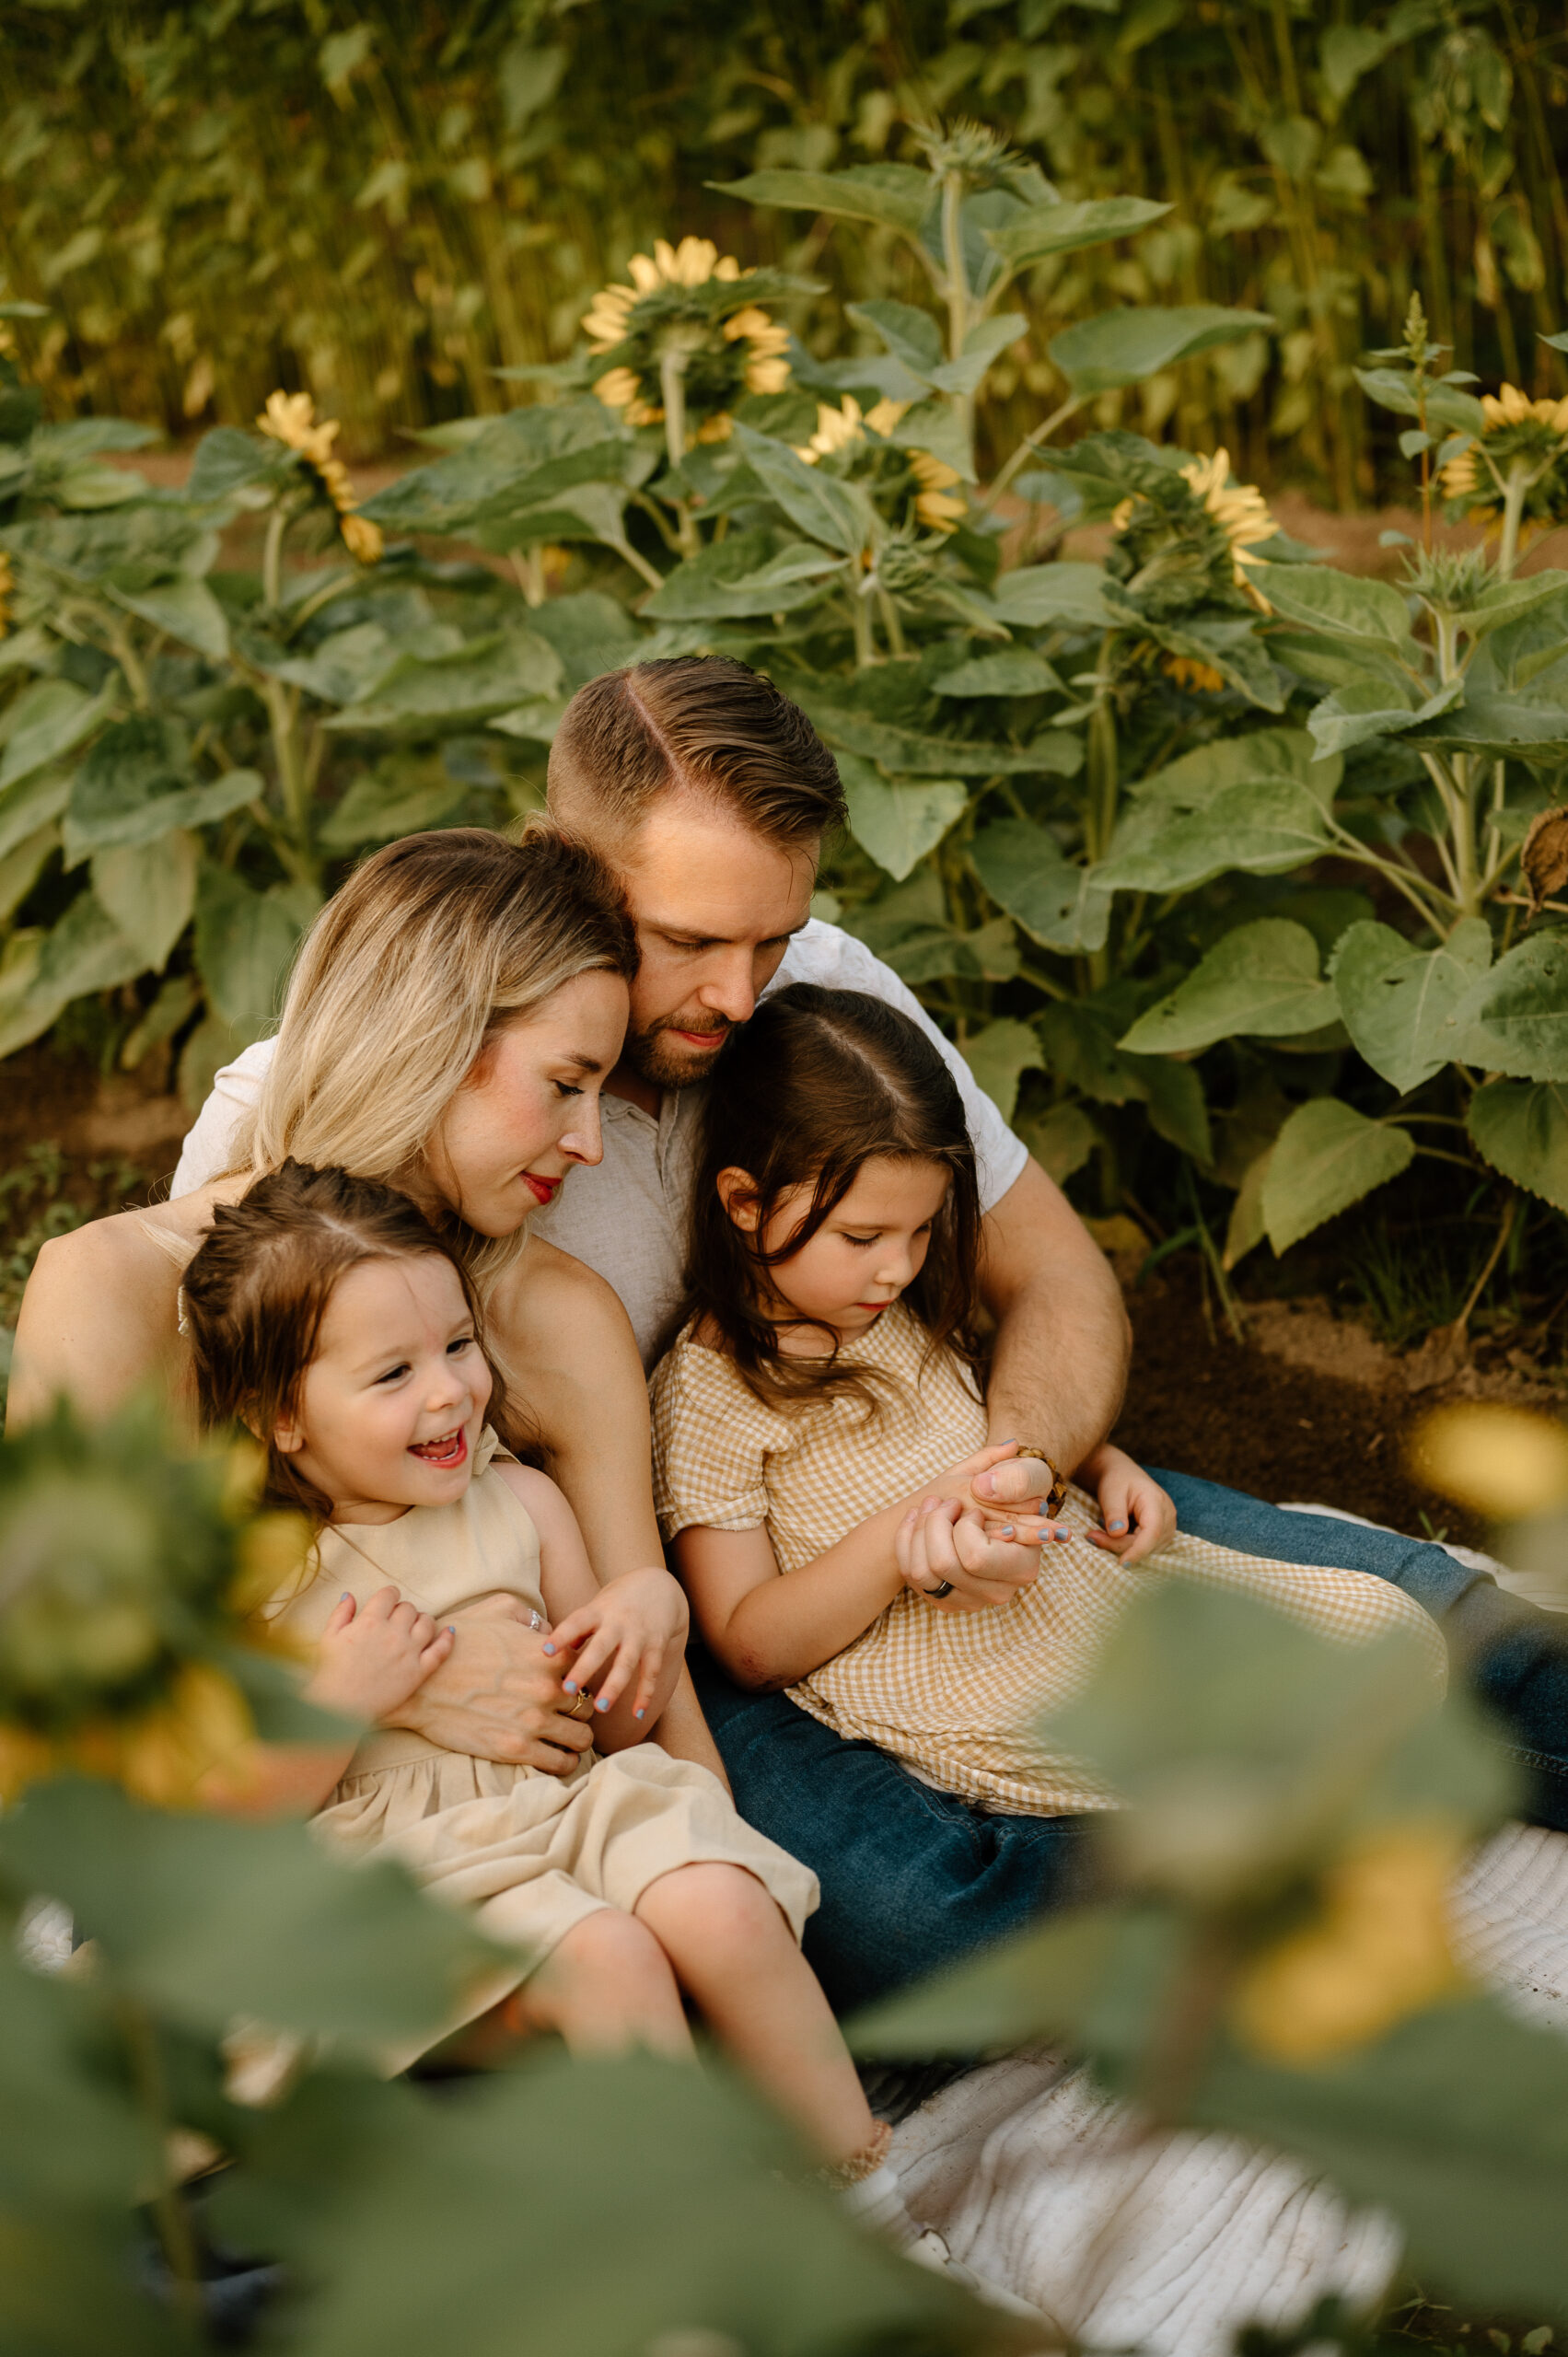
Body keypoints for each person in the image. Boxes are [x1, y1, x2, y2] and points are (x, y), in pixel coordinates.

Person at [27, 656, 1568, 1993]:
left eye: (773, 933)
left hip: (913, 1452)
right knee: (904, 1922)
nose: (739, 987)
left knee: (1437, 1621)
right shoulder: (336, 1112)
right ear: (563, 869)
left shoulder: (809, 995)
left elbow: (1055, 1282)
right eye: (689, 939)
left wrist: (1008, 1473)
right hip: (707, 1586)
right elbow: (256, 1496)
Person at [650, 987, 1445, 2005]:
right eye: (860, 1237)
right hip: (940, 1658)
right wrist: (901, 1538)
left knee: (1387, 1629)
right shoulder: (715, 1391)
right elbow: (747, 1639)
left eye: (919, 1231)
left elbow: (982, 1405)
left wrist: (1096, 1463)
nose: (894, 1267)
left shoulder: (886, 1306)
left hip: (1057, 1592)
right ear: (743, 1201)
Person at [178, 1159, 921, 2225]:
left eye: (456, 1345)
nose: (446, 1392)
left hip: (561, 1814)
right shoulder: (258, 1575)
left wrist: (640, 1618)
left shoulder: (521, 1500)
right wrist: (337, 1705)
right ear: (282, 1416)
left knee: (721, 1903)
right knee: (605, 1954)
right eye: (390, 1375)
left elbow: (615, 1726)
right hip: (400, 1876)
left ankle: (875, 2214)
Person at [9, 825, 723, 1782]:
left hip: (551, 1848)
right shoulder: (116, 1286)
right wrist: (407, 1679)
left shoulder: (556, 1319)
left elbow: (659, 1713)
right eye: (563, 1084)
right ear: (431, 1042)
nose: (590, 1142)